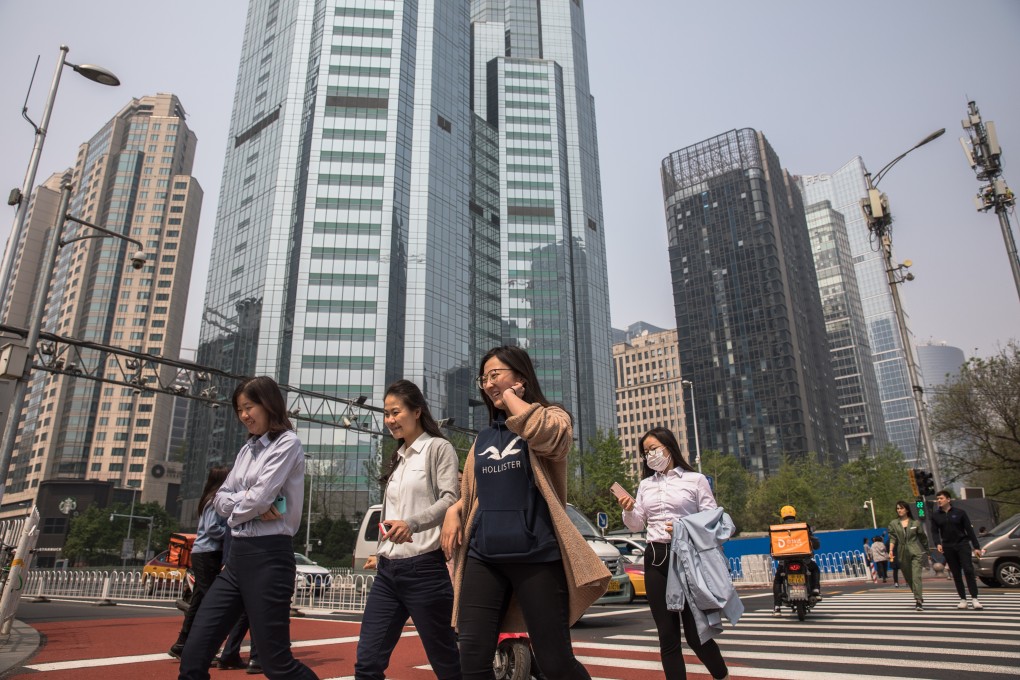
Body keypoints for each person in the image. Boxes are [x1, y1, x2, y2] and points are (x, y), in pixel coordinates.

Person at [441, 345, 610, 680]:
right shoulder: (484, 436)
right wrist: (454, 510)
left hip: (537, 555)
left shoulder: (553, 417)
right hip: (484, 555)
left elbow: (550, 438)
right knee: (472, 660)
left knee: (554, 663)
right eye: (484, 378)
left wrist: (514, 400)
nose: (488, 384)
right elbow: (473, 492)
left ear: (520, 377)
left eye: (496, 375)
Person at [178, 376, 318, 680]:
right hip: (237, 559)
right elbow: (219, 499)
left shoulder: (287, 444)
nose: (244, 415)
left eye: (249, 406)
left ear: (269, 404)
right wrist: (246, 507)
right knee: (193, 653)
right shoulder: (246, 450)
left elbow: (260, 497)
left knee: (276, 663)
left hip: (270, 559)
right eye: (239, 409)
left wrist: (243, 504)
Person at [354, 380, 461, 680]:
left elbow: (450, 499)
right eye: (386, 414)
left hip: (424, 570)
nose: (389, 420)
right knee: (367, 663)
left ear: (417, 411)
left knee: (446, 663)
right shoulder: (398, 458)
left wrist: (412, 524)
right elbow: (392, 514)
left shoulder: (438, 448)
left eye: (396, 412)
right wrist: (381, 551)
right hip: (388, 574)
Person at [617, 427, 731, 680]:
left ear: (670, 447)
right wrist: (627, 510)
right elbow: (637, 524)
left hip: (688, 557)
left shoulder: (695, 480)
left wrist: (684, 528)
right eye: (645, 452)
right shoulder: (645, 485)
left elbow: (712, 521)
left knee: (695, 633)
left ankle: (722, 676)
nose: (650, 456)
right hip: (656, 557)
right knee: (667, 635)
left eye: (654, 449)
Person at [169, 466, 230, 659]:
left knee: (199, 601)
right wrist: (231, 534)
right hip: (207, 553)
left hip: (205, 553)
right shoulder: (214, 500)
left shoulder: (211, 499)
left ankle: (181, 644)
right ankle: (202, 647)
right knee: (212, 602)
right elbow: (212, 528)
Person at [930, 489, 984, 609]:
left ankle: (975, 598)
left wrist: (976, 547)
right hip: (948, 546)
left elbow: (969, 530)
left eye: (941, 498)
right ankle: (963, 599)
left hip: (962, 544)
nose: (939, 500)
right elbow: (934, 531)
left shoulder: (960, 513)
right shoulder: (935, 515)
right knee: (956, 573)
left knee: (969, 570)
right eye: (937, 499)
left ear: (948, 499)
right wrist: (938, 543)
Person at [771, 505, 820, 616]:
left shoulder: (778, 530)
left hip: (785, 562)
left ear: (782, 516)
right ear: (794, 514)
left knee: (778, 580)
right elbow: (815, 543)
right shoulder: (803, 527)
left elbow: (773, 546)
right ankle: (816, 589)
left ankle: (777, 607)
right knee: (815, 569)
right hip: (803, 560)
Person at [887, 500, 928, 610]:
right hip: (901, 551)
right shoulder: (894, 523)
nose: (899, 510)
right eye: (897, 508)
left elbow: (923, 538)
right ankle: (917, 594)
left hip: (915, 550)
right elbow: (892, 537)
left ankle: (918, 600)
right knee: (908, 576)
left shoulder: (915, 523)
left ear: (907, 509)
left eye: (901, 508)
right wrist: (890, 550)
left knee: (916, 576)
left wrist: (928, 550)